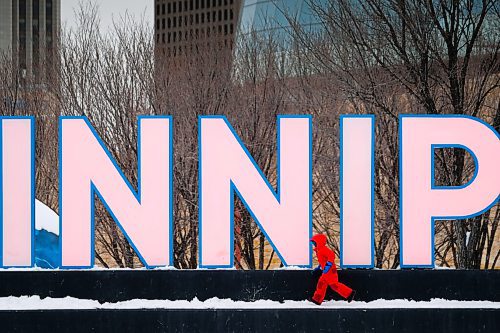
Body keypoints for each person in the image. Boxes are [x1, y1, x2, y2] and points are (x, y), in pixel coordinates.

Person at [310, 234, 356, 305]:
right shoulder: (319, 250)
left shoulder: (323, 249)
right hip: (326, 271)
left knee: (334, 285)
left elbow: (331, 255)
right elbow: (323, 260)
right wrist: (318, 267)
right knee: (321, 284)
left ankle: (350, 293)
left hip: (330, 271)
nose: (313, 244)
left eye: (314, 242)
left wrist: (328, 266)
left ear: (319, 242)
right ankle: (317, 299)